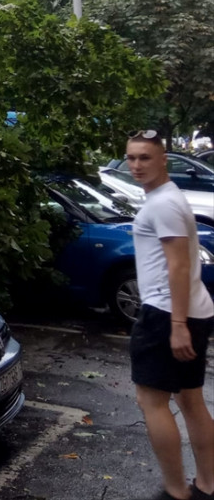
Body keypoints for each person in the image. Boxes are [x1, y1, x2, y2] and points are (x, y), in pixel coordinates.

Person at [126, 130, 214, 500]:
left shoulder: (162, 204)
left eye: (145, 158)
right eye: (131, 158)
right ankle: (209, 484)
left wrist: (177, 326)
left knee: (151, 400)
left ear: (164, 160)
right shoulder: (168, 198)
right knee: (190, 399)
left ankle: (177, 492)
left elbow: (177, 266)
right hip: (189, 310)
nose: (136, 165)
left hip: (167, 314)